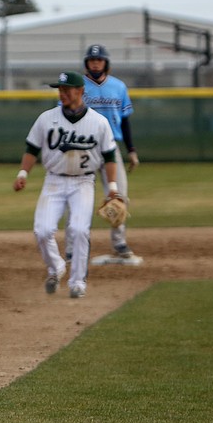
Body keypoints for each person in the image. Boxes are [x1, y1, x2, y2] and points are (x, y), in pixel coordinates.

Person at [14, 71, 119, 299]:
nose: (62, 93)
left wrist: (112, 187)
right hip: (54, 181)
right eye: (60, 89)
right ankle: (56, 267)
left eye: (66, 89)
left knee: (80, 230)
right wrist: (23, 172)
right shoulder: (46, 119)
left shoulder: (99, 123)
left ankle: (78, 282)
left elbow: (109, 156)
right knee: (42, 231)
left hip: (83, 182)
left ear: (80, 91)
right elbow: (32, 149)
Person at [82, 43, 141, 262]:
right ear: (87, 63)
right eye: (92, 60)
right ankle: (76, 245)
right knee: (80, 197)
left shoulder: (118, 86)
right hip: (83, 147)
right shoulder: (78, 86)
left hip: (111, 148)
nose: (95, 63)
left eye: (99, 60)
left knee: (119, 196)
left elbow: (125, 122)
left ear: (106, 63)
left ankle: (119, 243)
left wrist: (131, 150)